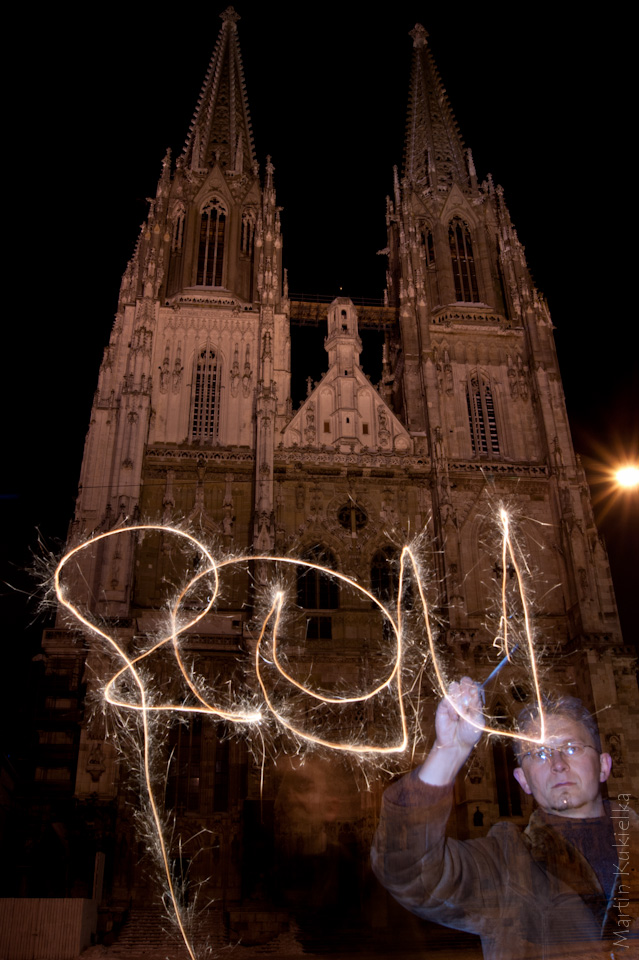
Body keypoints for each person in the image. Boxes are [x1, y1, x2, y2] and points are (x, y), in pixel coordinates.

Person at [371, 677, 638, 959]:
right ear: (522, 780)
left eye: (572, 748)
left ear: (604, 766)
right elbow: (407, 870)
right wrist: (448, 753)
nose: (558, 764)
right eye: (539, 753)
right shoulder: (506, 864)